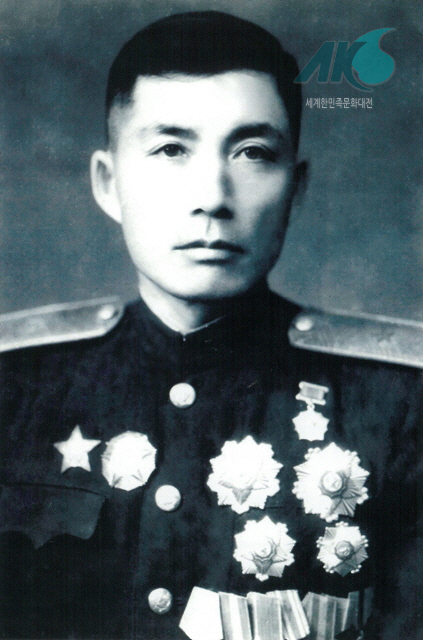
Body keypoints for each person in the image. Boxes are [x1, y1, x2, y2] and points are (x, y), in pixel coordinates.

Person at [0, 10, 421, 640]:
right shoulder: (15, 388)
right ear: (108, 184)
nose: (213, 197)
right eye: (171, 149)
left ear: (295, 188)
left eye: (253, 153)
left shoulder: (400, 403)